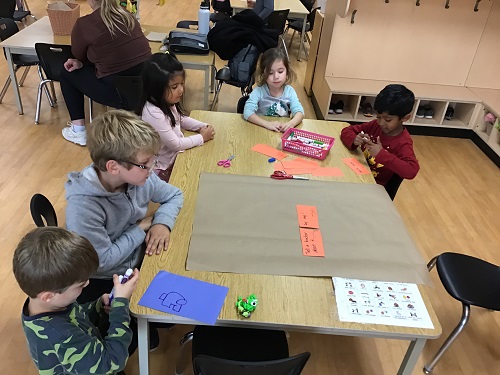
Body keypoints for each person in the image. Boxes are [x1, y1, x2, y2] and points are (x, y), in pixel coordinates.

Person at [65, 109, 183, 303]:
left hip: (136, 258)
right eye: (146, 163)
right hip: (105, 279)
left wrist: (162, 222)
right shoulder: (84, 207)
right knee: (161, 312)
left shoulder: (138, 177)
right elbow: (101, 263)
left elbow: (174, 195)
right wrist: (140, 228)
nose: (152, 168)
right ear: (113, 167)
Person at [13, 226, 139, 375]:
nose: (87, 284)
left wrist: (97, 306)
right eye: (80, 284)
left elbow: (76, 317)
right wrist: (120, 307)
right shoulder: (60, 335)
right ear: (48, 296)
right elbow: (112, 362)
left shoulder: (48, 304)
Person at [60, 0, 151, 147]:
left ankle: (78, 130)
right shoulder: (127, 14)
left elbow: (78, 55)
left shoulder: (84, 24)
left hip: (118, 92)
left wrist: (82, 61)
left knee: (67, 71)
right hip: (146, 87)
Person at [138, 52, 215, 182]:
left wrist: (202, 126)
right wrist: (202, 137)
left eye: (182, 84)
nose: (181, 90)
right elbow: (176, 144)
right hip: (162, 169)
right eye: (174, 87)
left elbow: (181, 118)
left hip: (174, 159)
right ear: (156, 88)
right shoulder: (153, 113)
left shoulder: (166, 102)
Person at [340, 84, 420, 186]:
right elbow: (347, 130)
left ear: (405, 118)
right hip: (355, 175)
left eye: (387, 119)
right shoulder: (375, 125)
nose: (381, 123)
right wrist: (354, 139)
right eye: (378, 117)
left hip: (372, 187)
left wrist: (381, 154)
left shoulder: (403, 142)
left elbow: (411, 170)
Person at [243, 48, 304, 132]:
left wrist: (291, 124)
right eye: (270, 73)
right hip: (261, 129)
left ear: (287, 72)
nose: (276, 77)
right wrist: (267, 124)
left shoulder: (289, 91)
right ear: (263, 74)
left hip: (281, 132)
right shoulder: (259, 91)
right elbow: (247, 111)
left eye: (280, 71)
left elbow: (300, 112)